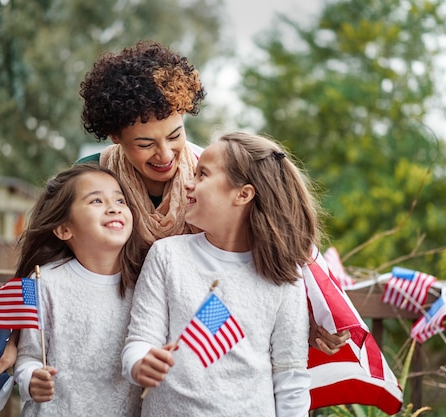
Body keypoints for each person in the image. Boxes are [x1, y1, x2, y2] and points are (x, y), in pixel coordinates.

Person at [0, 39, 347, 386]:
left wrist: (309, 315)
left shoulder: (213, 177)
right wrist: (13, 338)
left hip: (188, 352)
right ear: (115, 137)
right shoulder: (91, 177)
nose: (164, 155)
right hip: (107, 344)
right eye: (145, 144)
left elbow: (260, 247)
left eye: (174, 135)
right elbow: (37, 256)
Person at [121, 131, 319, 416]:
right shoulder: (167, 255)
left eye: (202, 175)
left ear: (243, 194)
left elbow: (290, 377)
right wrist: (140, 363)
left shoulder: (284, 276)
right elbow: (139, 342)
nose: (188, 184)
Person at [12, 164, 146, 416]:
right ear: (64, 229)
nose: (114, 207)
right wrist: (31, 379)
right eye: (96, 200)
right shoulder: (45, 283)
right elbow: (28, 356)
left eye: (120, 199)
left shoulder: (143, 283)